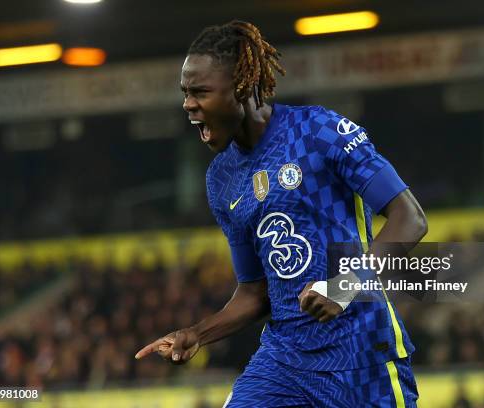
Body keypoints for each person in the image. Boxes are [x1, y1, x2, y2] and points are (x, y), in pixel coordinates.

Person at [135, 20, 427, 407]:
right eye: (185, 93)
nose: (188, 104)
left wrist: (342, 287)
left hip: (362, 358)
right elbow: (254, 293)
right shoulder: (221, 179)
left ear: (241, 86)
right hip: (283, 363)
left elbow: (410, 219)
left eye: (200, 92)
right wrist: (197, 333)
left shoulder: (319, 132)